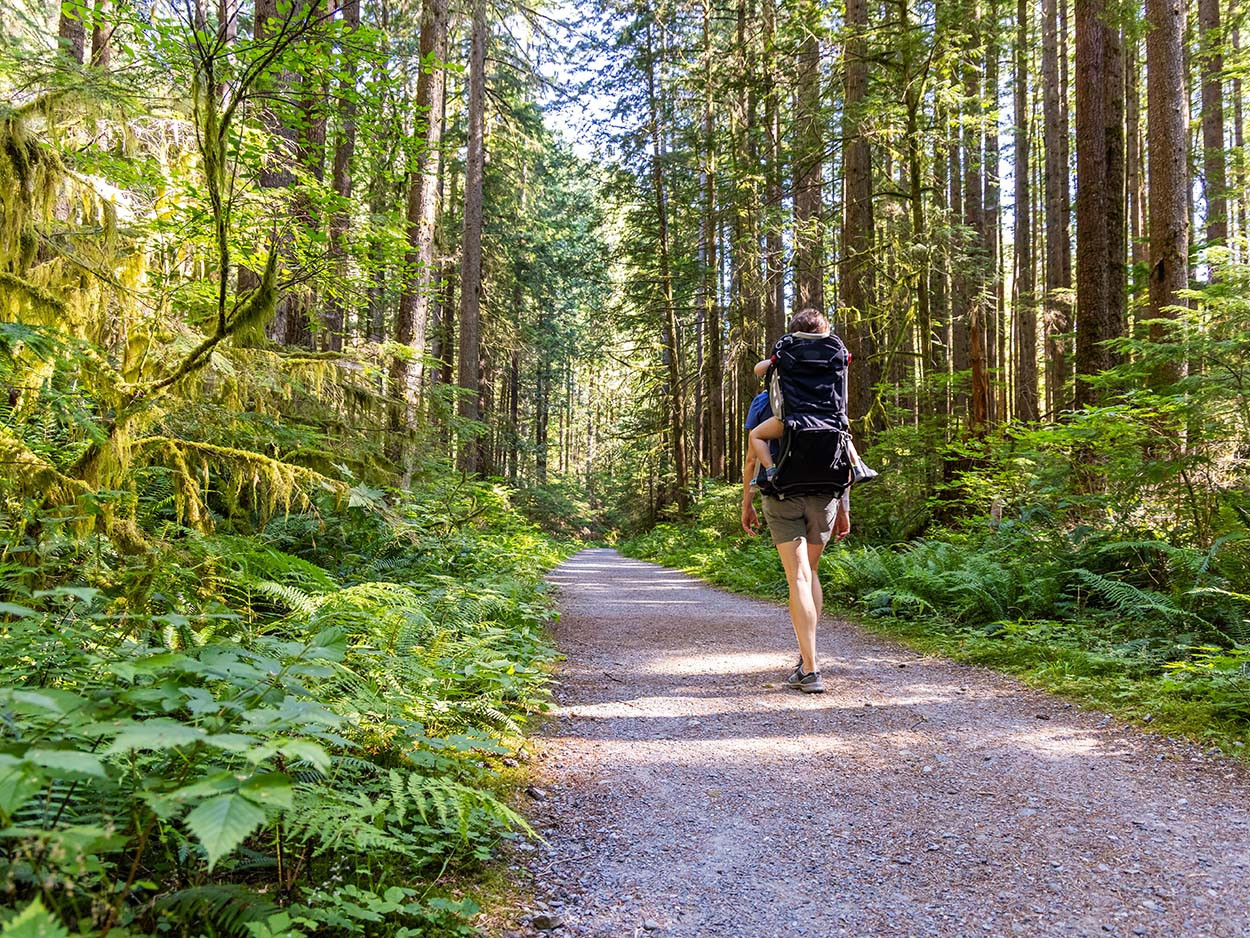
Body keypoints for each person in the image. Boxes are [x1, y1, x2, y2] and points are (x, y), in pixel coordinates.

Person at [741, 309, 851, 694]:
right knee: (812, 573)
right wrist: (845, 506)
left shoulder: (773, 382)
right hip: (826, 488)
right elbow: (845, 450)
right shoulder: (835, 369)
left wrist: (754, 491)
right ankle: (807, 660)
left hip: (784, 488)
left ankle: (811, 667)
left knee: (798, 577)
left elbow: (752, 450)